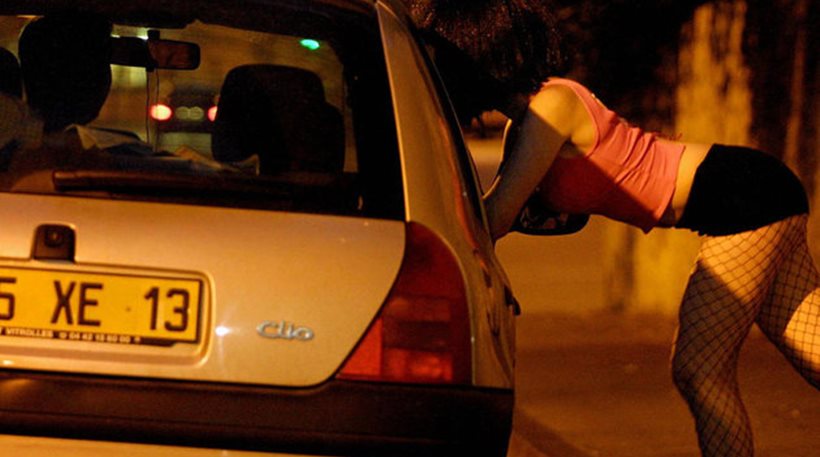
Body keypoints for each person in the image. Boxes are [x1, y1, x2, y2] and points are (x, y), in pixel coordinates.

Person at [407, 1, 819, 456]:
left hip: (746, 195)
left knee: (699, 369)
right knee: (810, 346)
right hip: (751, 194)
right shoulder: (522, 127)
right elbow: (497, 218)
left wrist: (419, 229)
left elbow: (497, 216)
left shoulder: (553, 106)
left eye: (444, 59)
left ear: (478, 53)